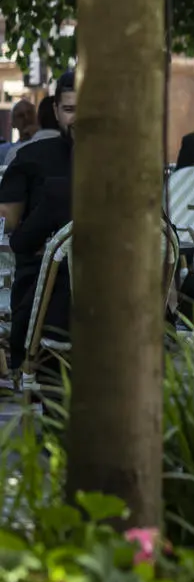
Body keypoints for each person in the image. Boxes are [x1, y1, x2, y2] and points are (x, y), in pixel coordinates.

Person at [0, 72, 75, 368]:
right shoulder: (31, 158)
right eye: (70, 110)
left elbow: (15, 240)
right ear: (56, 110)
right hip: (41, 294)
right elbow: (9, 226)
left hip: (50, 309)